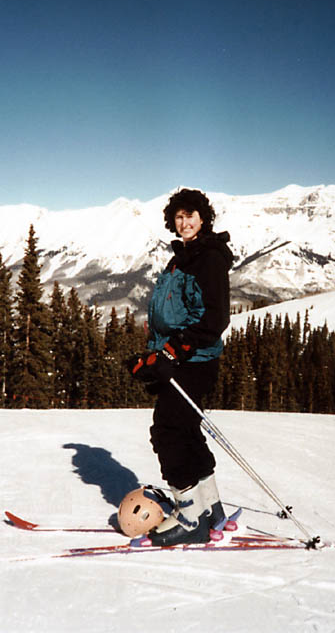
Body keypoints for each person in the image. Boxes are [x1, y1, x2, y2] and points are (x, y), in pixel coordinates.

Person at [129, 188, 233, 546]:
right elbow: (171, 314)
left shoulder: (209, 259)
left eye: (191, 215)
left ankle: (190, 516)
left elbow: (214, 318)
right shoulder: (183, 257)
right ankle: (212, 509)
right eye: (178, 217)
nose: (184, 222)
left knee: (168, 431)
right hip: (180, 358)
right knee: (186, 430)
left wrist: (172, 353)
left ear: (204, 218)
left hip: (195, 360)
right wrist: (152, 355)